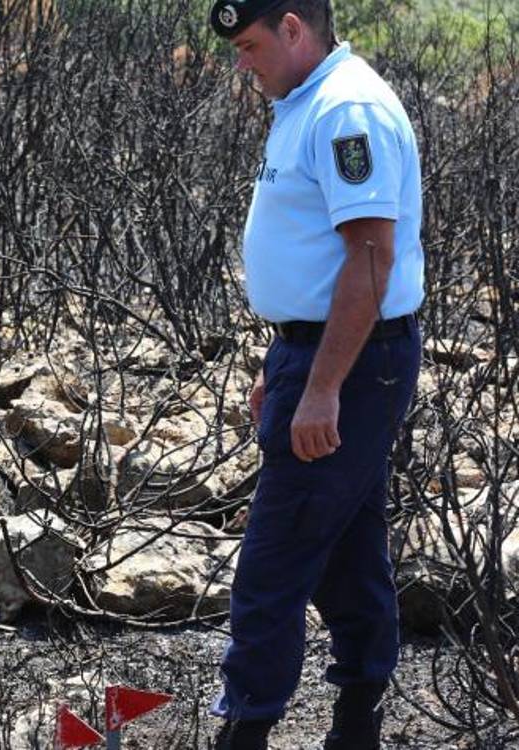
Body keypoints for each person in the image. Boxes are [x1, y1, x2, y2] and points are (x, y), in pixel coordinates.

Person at [206, 1, 425, 748]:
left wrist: (323, 385)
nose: (242, 64)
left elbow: (369, 254)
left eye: (249, 45)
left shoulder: (346, 107)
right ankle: (357, 721)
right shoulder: (306, 100)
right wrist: (291, 364)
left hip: (353, 361)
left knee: (272, 562)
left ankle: (245, 731)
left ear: (293, 28)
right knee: (345, 546)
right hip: (318, 349)